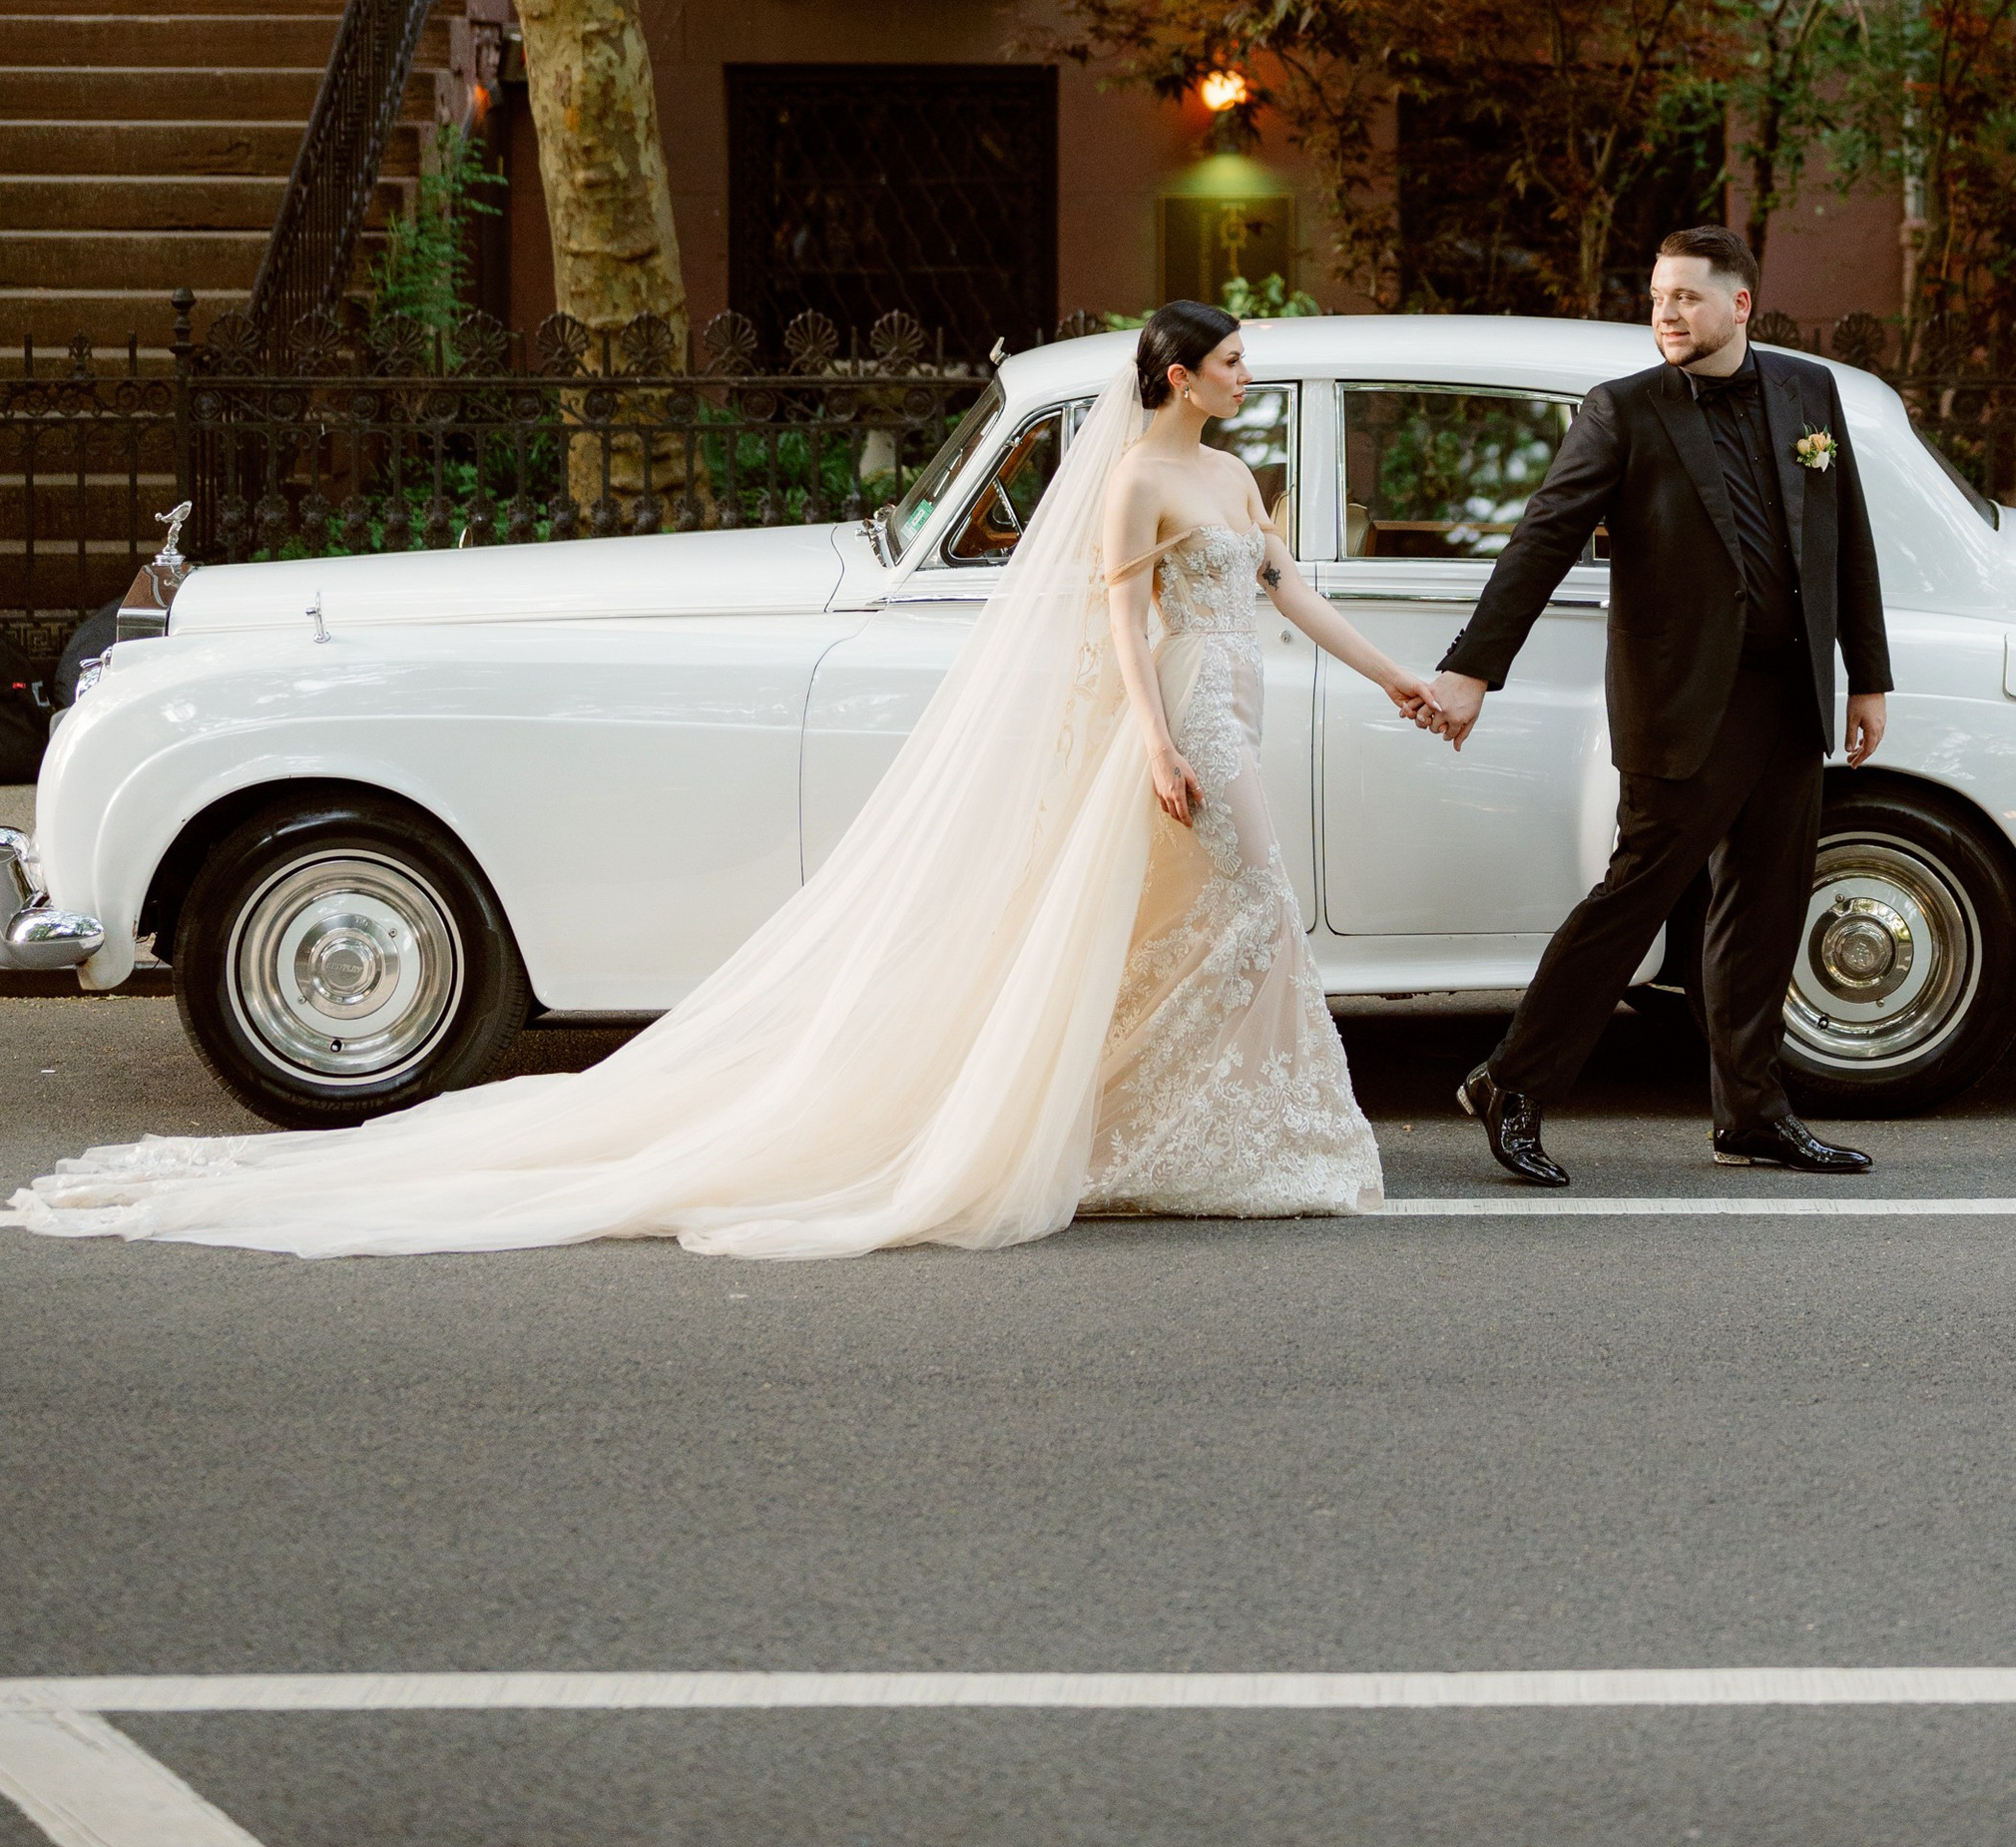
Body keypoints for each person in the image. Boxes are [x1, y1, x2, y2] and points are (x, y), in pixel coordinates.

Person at [5, 304, 1447, 1258]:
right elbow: (1121, 622)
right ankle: (1242, 1132)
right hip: (1195, 712)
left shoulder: (1238, 478)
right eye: (1236, 360)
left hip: (1239, 692)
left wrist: (1401, 681)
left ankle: (1216, 1127)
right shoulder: (1131, 478)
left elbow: (1283, 592)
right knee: (1240, 907)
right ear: (1181, 374)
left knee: (1224, 916)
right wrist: (1151, 734)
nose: (1248, 375)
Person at [1425, 226, 1892, 1189]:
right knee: (1632, 901)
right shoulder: (1623, 411)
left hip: (1790, 696)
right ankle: (1510, 1083)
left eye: (1684, 296)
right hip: (1683, 702)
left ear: (1741, 306)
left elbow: (1845, 539)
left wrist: (1869, 674)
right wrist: (1474, 667)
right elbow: (1542, 540)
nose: (1665, 313)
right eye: (1656, 297)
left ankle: (1753, 1117)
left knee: (1764, 911)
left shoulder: (1811, 394)